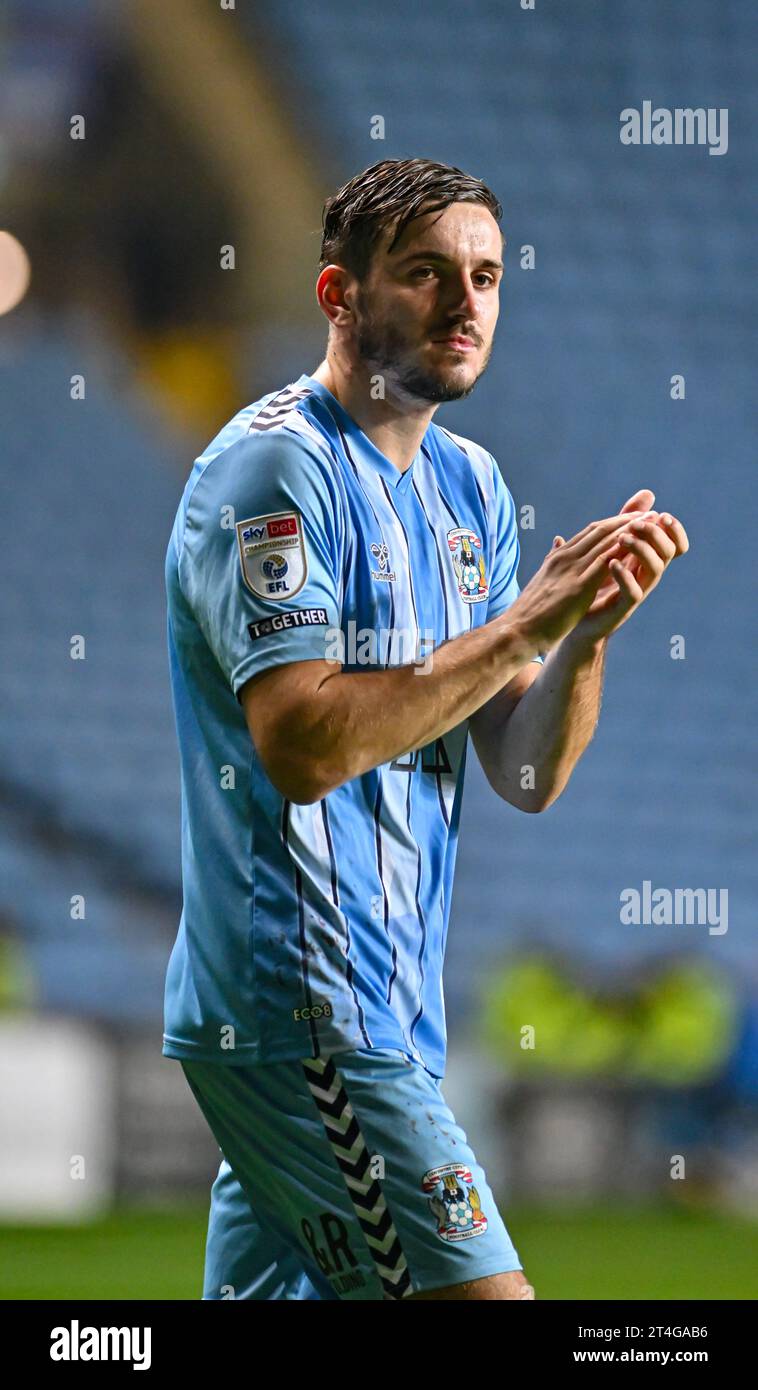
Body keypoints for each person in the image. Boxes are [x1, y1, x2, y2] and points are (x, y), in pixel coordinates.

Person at [162, 157, 689, 1300]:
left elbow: (525, 770)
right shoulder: (274, 470)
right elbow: (302, 748)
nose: (465, 303)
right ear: (337, 296)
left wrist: (580, 637)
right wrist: (516, 628)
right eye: (425, 274)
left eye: (486, 275)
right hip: (303, 1004)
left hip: (391, 1012)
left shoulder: (470, 489)